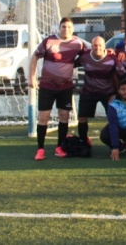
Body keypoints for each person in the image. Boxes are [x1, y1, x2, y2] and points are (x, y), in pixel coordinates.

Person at [29, 17, 86, 161]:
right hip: (47, 86)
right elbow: (34, 57)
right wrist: (31, 78)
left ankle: (60, 147)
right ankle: (40, 149)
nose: (66, 29)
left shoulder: (77, 43)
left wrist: (108, 52)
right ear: (59, 28)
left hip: (65, 87)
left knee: (64, 117)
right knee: (43, 117)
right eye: (63, 27)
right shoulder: (48, 41)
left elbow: (91, 54)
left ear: (72, 29)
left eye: (68, 27)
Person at [75, 36, 117, 144]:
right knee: (82, 117)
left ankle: (117, 142)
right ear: (91, 46)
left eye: (100, 45)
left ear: (105, 46)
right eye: (95, 45)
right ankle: (83, 142)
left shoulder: (112, 58)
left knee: (114, 117)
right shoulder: (85, 57)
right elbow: (70, 64)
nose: (97, 47)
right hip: (88, 92)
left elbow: (123, 75)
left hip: (108, 93)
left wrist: (118, 93)